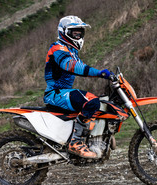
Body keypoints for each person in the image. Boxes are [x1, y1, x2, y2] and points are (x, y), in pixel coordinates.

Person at [43, 15, 112, 159]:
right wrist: (99, 73)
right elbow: (72, 66)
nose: (78, 35)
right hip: (56, 93)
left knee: (99, 102)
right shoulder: (58, 49)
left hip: (62, 92)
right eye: (75, 32)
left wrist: (105, 75)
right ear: (64, 32)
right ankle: (75, 142)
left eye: (80, 32)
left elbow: (80, 68)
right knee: (91, 101)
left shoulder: (72, 51)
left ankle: (96, 136)